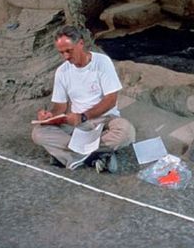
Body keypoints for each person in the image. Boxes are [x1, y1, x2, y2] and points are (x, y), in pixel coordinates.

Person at [32, 25, 135, 171]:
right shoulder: (62, 71)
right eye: (62, 53)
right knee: (38, 133)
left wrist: (84, 116)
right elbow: (59, 107)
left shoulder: (102, 62)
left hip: (104, 120)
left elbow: (110, 100)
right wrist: (49, 115)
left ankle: (68, 155)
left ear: (80, 44)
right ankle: (96, 156)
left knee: (126, 132)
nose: (66, 56)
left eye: (69, 51)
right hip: (76, 124)